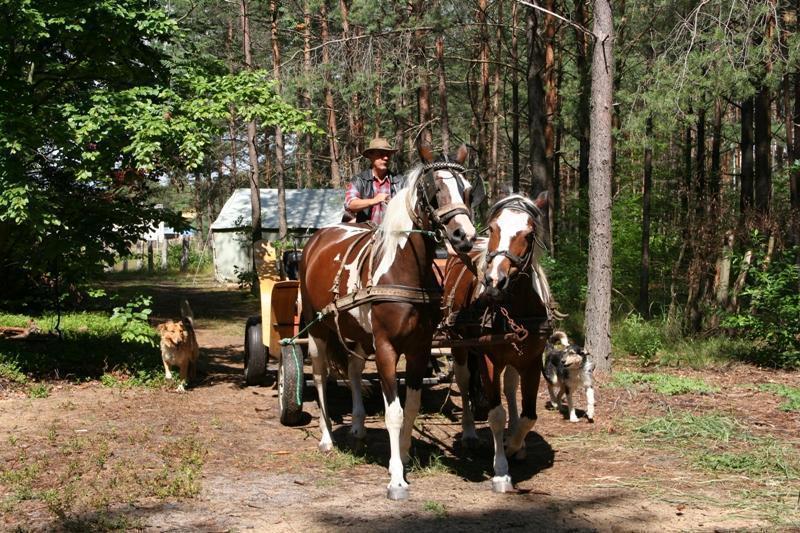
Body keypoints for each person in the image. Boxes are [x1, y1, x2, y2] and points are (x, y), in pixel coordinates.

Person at [343, 137, 405, 225]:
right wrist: (374, 200)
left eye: (388, 154)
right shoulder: (359, 180)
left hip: (393, 234)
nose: (386, 158)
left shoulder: (400, 181)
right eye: (381, 154)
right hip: (366, 233)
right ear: (370, 156)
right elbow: (350, 204)